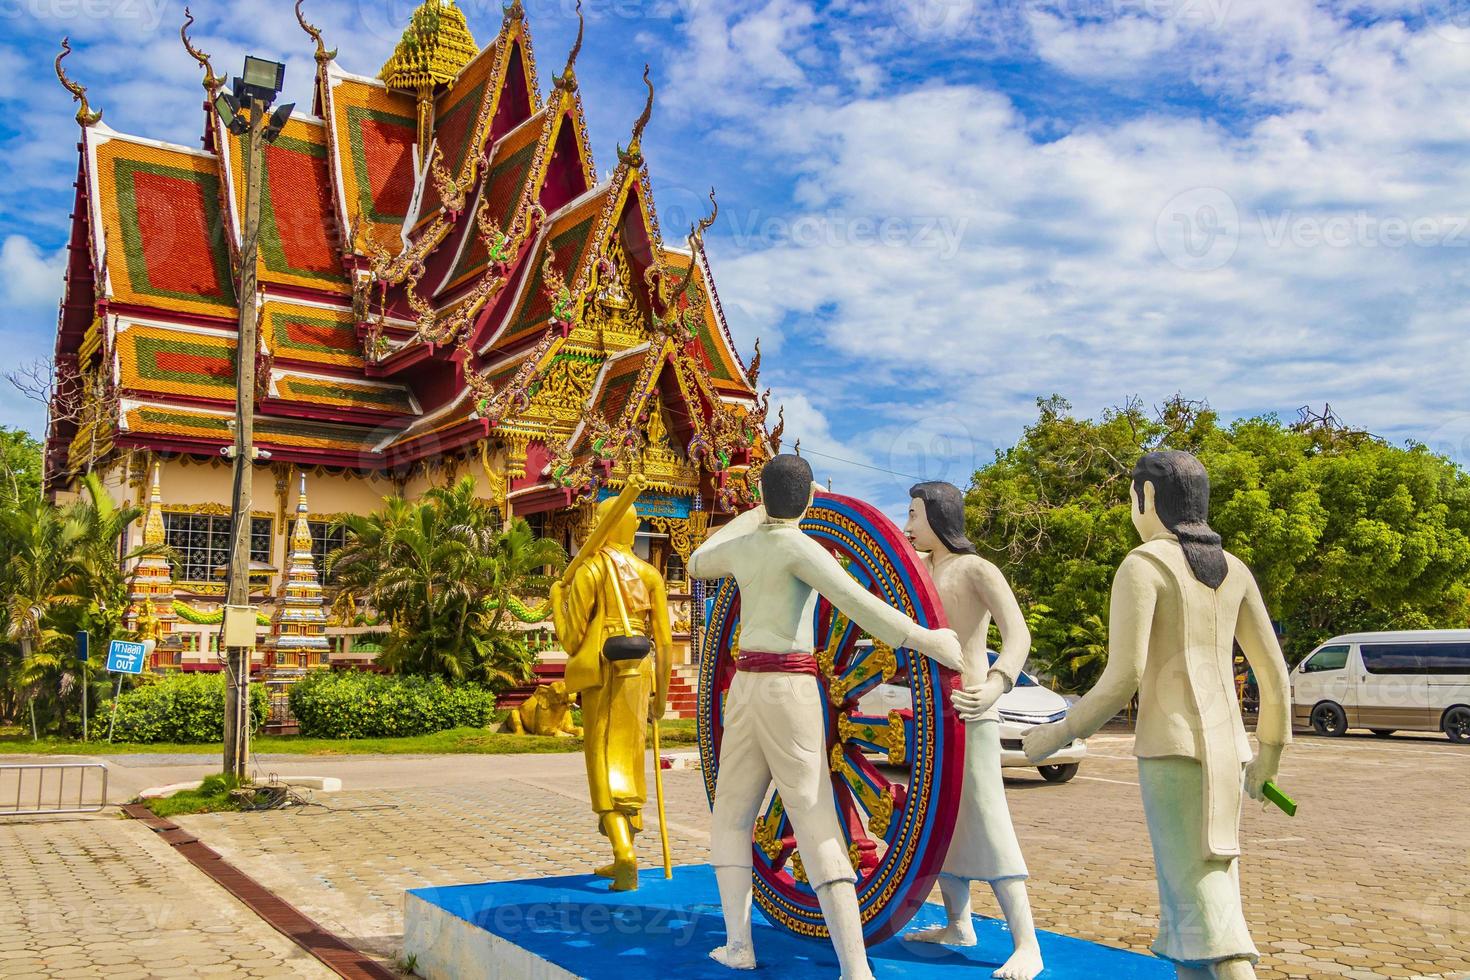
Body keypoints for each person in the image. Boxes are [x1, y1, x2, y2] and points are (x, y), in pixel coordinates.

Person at [689, 454, 964, 979]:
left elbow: (700, 559)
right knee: (815, 819)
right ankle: (854, 967)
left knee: (730, 817)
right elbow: (859, 603)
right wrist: (925, 639)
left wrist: (754, 513)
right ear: (811, 497)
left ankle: (739, 945)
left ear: (766, 498)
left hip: (746, 688)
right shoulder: (802, 548)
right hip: (790, 690)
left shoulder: (747, 546)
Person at [1023, 451, 1292, 980]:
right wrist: (1270, 757)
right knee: (1196, 891)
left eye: (1131, 497)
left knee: (1204, 898)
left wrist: (1057, 733)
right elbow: (1275, 673)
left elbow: (1124, 676)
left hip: (1172, 749)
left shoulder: (1143, 566)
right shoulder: (1234, 570)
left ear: (1147, 498)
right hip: (1228, 748)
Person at [900, 481, 1043, 980]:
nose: (910, 524)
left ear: (938, 516)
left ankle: (1028, 944)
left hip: (972, 709)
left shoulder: (977, 568)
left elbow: (1018, 632)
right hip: (931, 714)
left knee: (986, 820)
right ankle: (958, 923)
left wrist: (999, 683)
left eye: (915, 514)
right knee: (941, 822)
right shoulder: (918, 572)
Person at [553, 496, 673, 891]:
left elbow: (571, 640)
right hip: (640, 671)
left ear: (602, 529)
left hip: (604, 669)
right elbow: (666, 644)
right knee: (629, 757)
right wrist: (662, 695)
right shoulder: (650, 573)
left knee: (604, 761)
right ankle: (622, 851)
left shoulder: (591, 570)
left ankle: (624, 853)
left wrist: (557, 601)